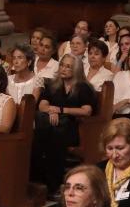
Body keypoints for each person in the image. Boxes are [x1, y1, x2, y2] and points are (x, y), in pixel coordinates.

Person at [32, 54, 97, 191]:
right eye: (62, 65)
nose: (63, 69)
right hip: (52, 127)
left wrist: (61, 110)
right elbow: (42, 106)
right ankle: (42, 183)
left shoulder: (83, 87)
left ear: (76, 70)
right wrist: (52, 110)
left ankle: (51, 184)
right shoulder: (52, 85)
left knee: (53, 135)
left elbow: (86, 111)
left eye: (68, 66)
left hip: (74, 129)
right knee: (45, 132)